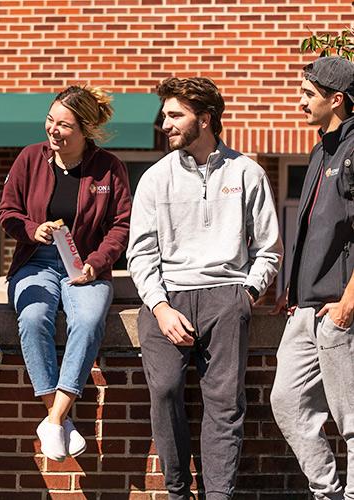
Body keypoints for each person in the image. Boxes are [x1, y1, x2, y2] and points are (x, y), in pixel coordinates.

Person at [127, 77, 283, 500]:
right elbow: (140, 254)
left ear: (206, 118)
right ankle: (177, 490)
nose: (165, 123)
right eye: (165, 115)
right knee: (164, 392)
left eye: (175, 115)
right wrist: (159, 307)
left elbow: (269, 248)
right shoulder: (154, 178)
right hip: (167, 299)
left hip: (227, 297)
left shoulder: (246, 171)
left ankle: (219, 495)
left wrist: (245, 296)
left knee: (225, 404)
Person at [0, 85, 131, 462]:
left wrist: (98, 262)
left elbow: (120, 225)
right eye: (50, 120)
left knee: (88, 320)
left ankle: (54, 418)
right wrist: (30, 229)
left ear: (85, 129)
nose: (53, 130)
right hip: (36, 262)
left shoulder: (109, 168)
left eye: (64, 125)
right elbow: (8, 212)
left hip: (84, 265)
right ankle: (60, 422)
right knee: (34, 316)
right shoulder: (29, 158)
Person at [270, 57, 354, 499]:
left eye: (308, 94)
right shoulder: (322, 149)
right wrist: (292, 288)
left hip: (340, 307)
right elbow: (315, 227)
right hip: (307, 307)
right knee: (286, 400)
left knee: (352, 419)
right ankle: (328, 491)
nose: (299, 101)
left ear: (336, 99)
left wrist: (347, 303)